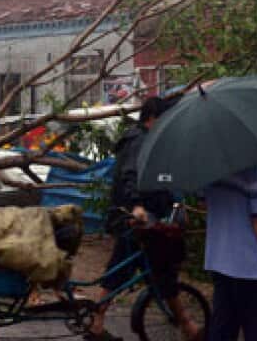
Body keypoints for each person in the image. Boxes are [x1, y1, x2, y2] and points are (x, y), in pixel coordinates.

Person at [85, 96, 201, 341]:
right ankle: (187, 325)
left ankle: (96, 323)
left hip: (141, 219)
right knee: (161, 272)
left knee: (123, 269)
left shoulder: (146, 140)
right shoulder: (139, 141)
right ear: (152, 119)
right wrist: (137, 206)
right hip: (138, 219)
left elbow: (161, 180)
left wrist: (176, 203)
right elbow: (131, 176)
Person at [204, 164, 257, 341]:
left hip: (218, 259)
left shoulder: (208, 165)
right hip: (249, 265)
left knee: (222, 330)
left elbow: (204, 200)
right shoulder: (252, 166)